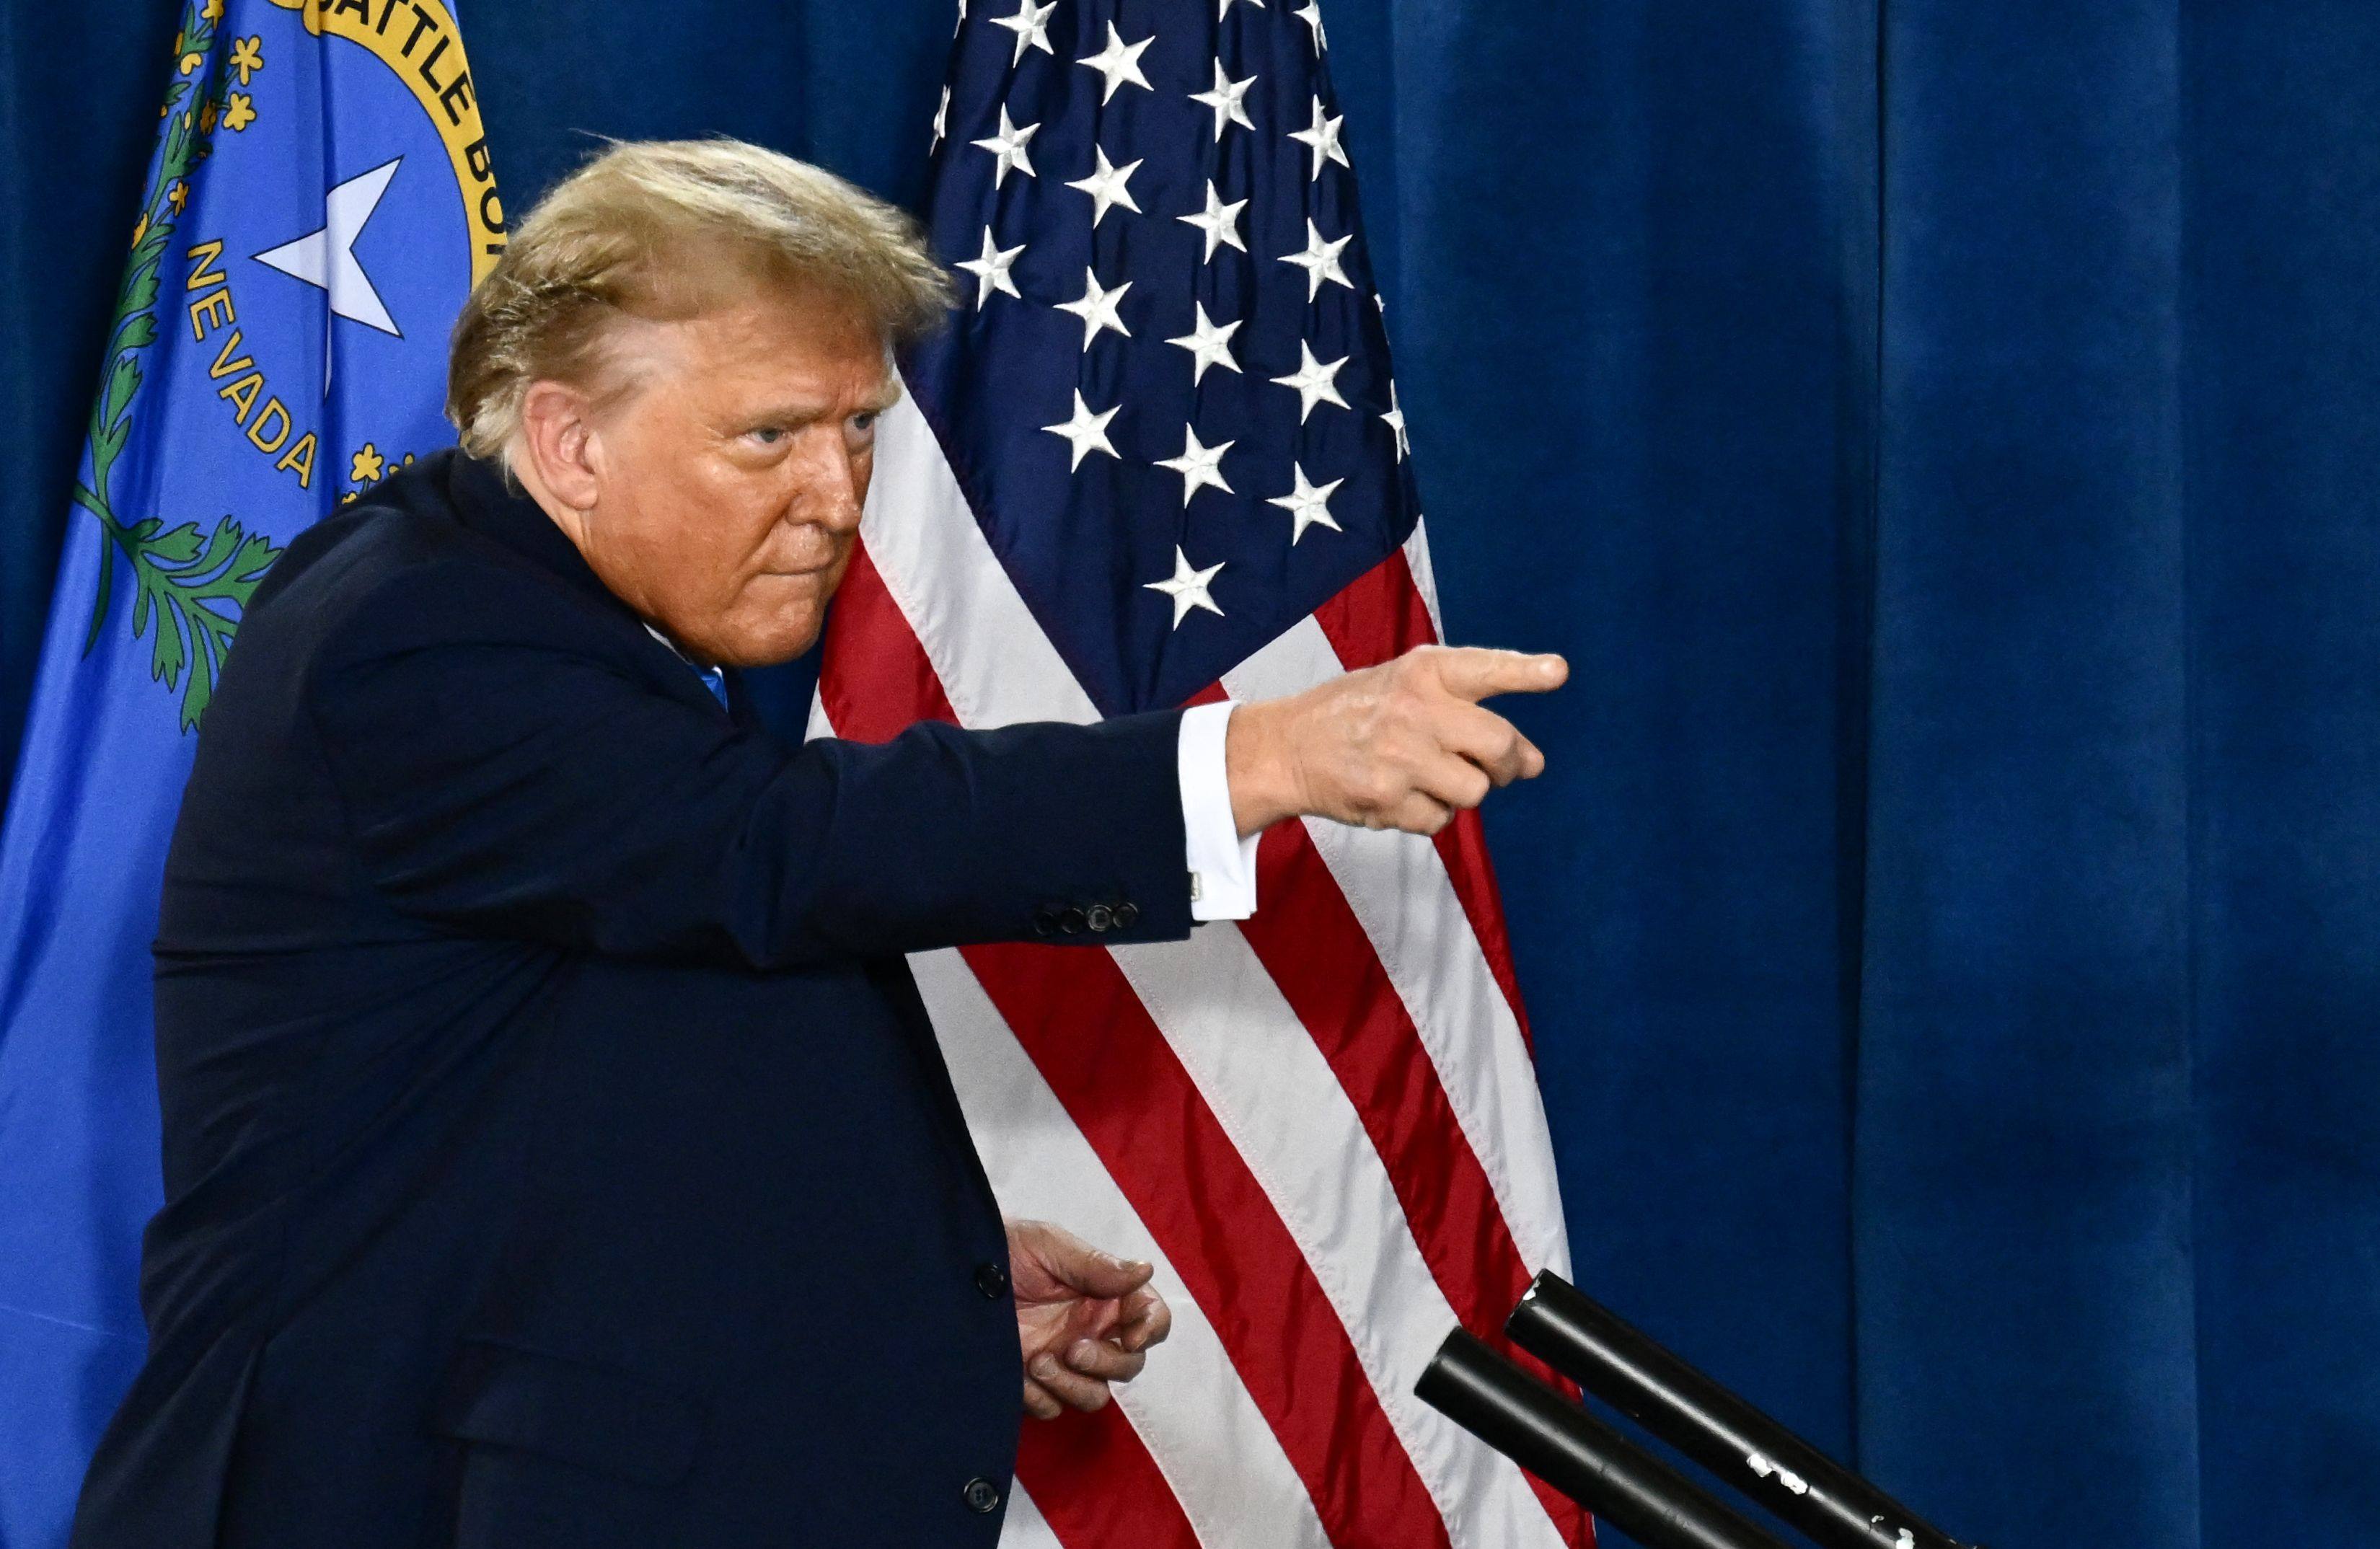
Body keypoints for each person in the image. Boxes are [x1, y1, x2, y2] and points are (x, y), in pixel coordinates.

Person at [69, 139, 1566, 1548]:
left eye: (857, 429)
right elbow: (778, 850)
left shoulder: (559, 622)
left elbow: (589, 1107)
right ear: (569, 441)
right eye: (770, 435)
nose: (837, 499)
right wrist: (1257, 752)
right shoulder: (417, 638)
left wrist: (909, 1294)